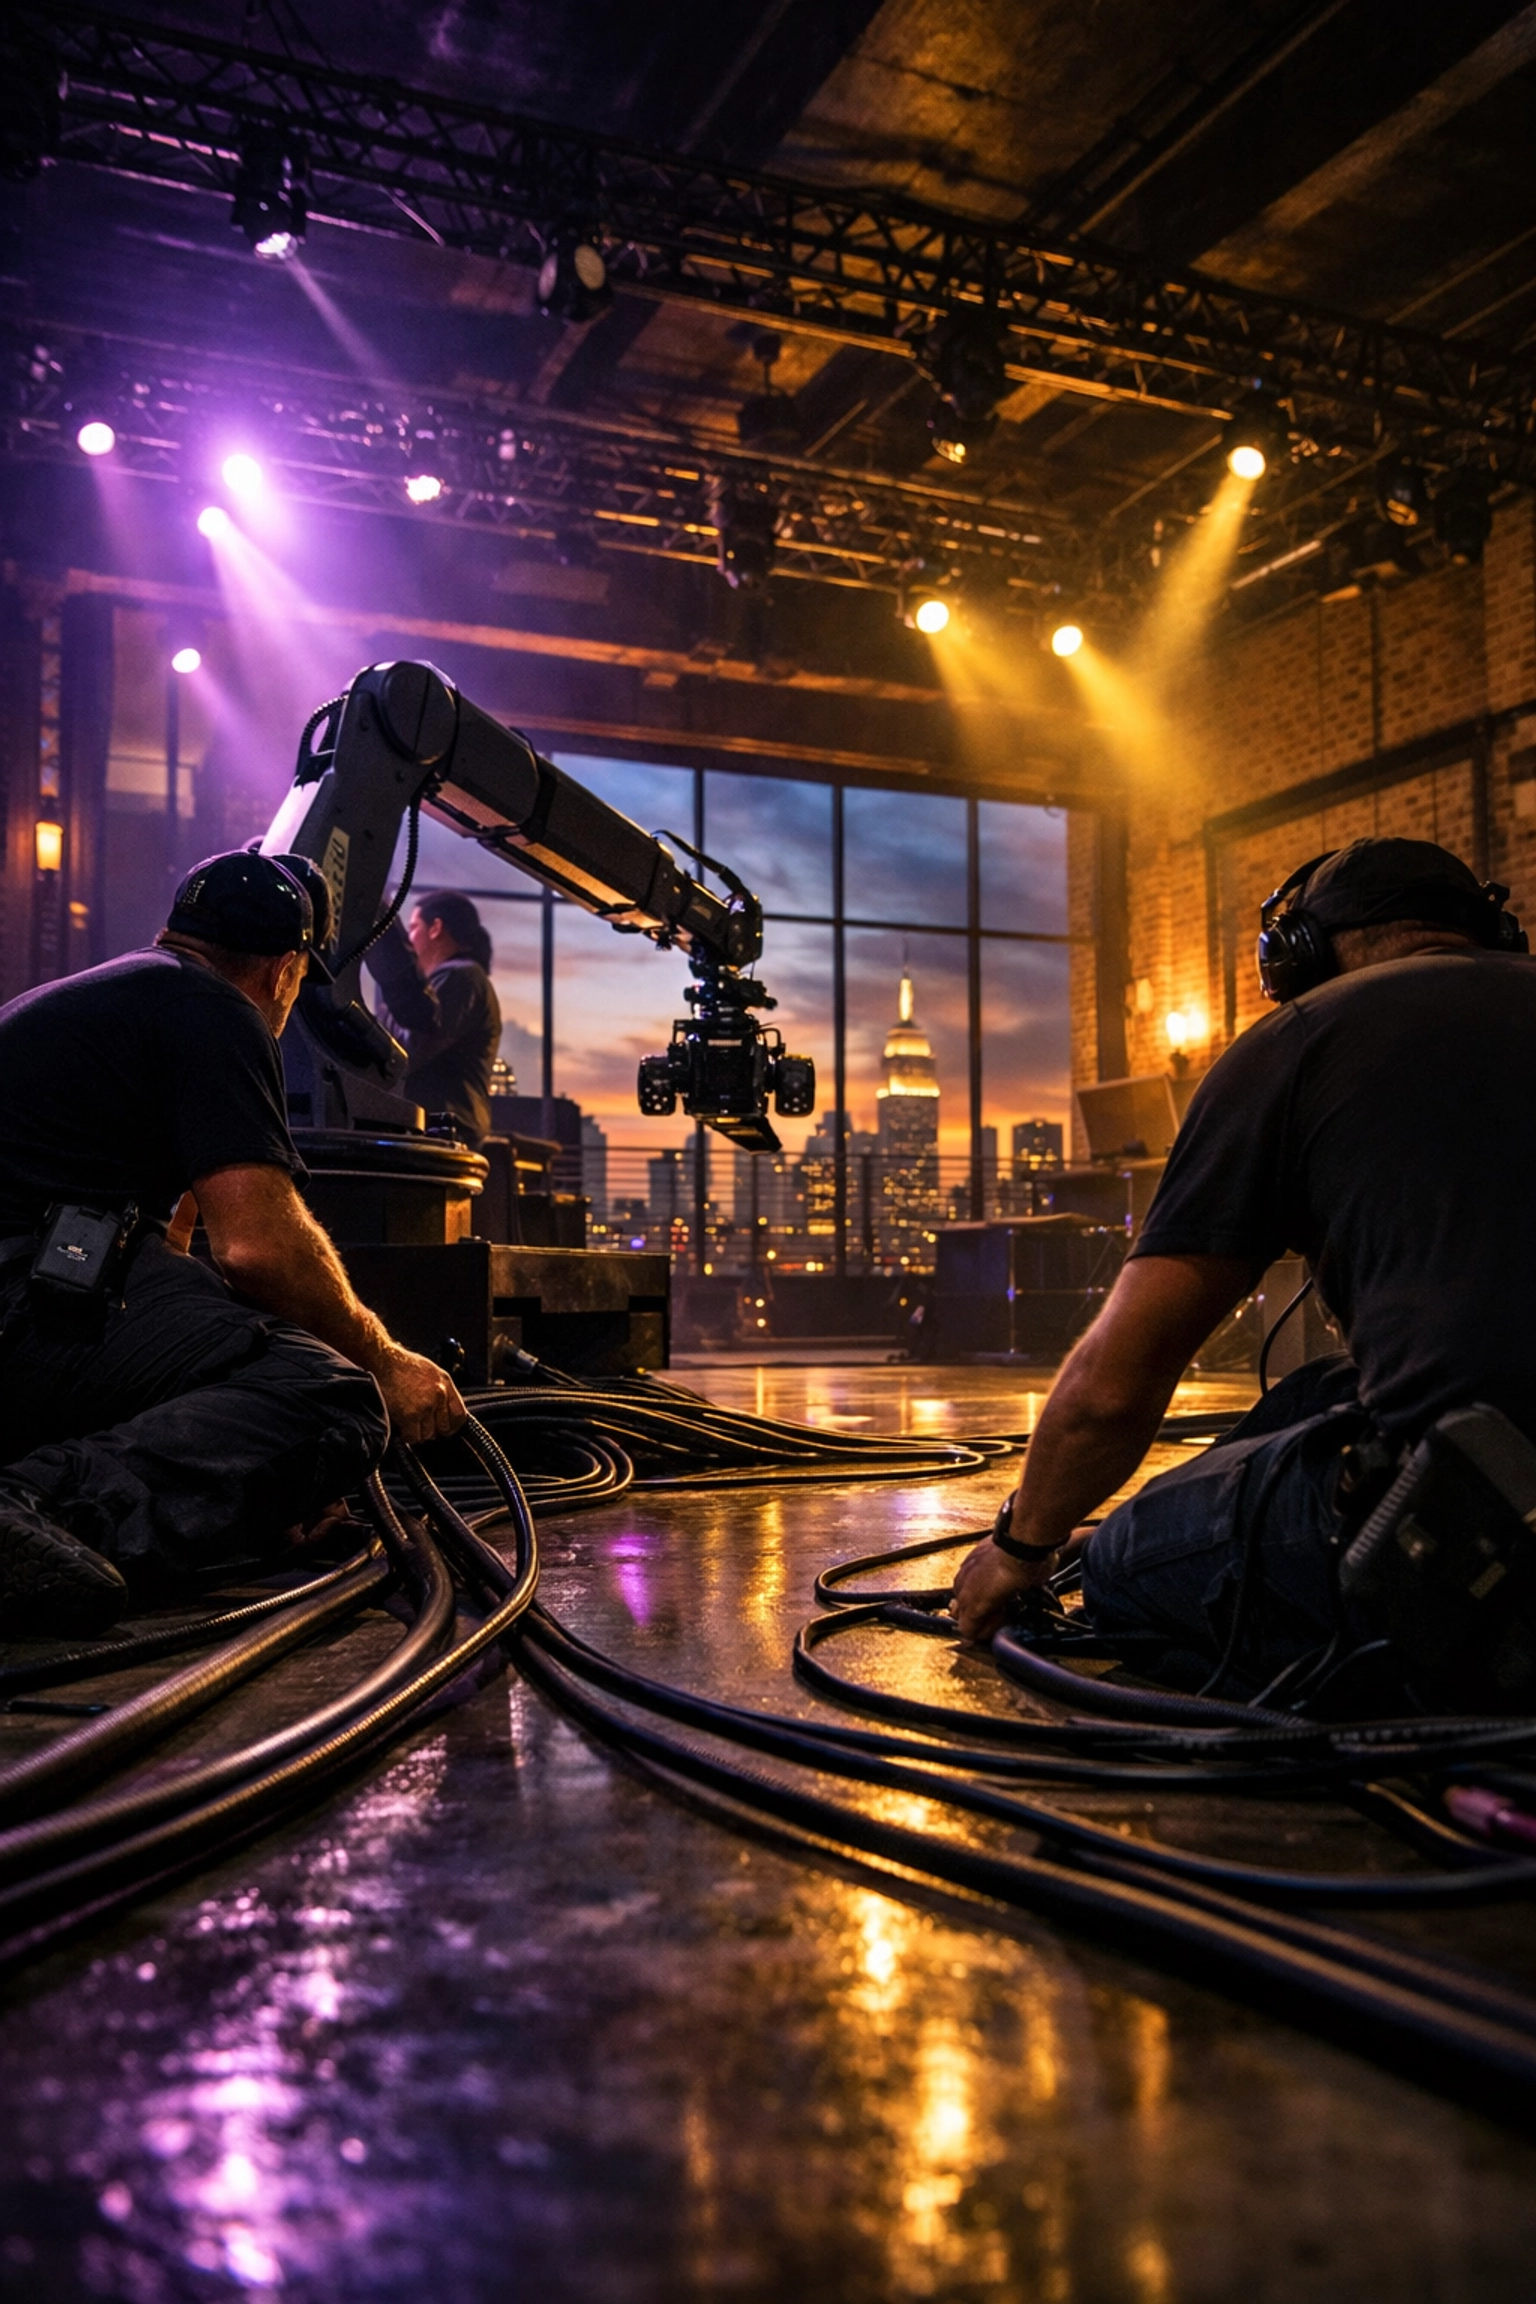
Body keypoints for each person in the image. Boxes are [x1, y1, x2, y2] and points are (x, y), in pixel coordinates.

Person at [952, 836, 1536, 1695]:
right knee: (1311, 1395)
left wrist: (1021, 1546)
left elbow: (1116, 1386)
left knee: (1122, 1570)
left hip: (1473, 1527)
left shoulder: (1296, 1043)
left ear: (1295, 955)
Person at [0, 852, 466, 1638]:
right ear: (287, 972)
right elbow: (260, 1253)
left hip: (33, 1298)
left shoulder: (111, 995)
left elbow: (178, 1259)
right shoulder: (214, 1009)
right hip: (21, 1301)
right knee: (333, 1395)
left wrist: (264, 1482)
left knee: (256, 1371)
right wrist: (386, 1364)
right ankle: (38, 1510)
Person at [364, 892, 501, 1144]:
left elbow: (408, 1050)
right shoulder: (465, 979)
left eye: (414, 927)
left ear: (436, 928)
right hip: (442, 1129)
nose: (411, 938)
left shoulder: (461, 978)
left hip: (442, 1133)